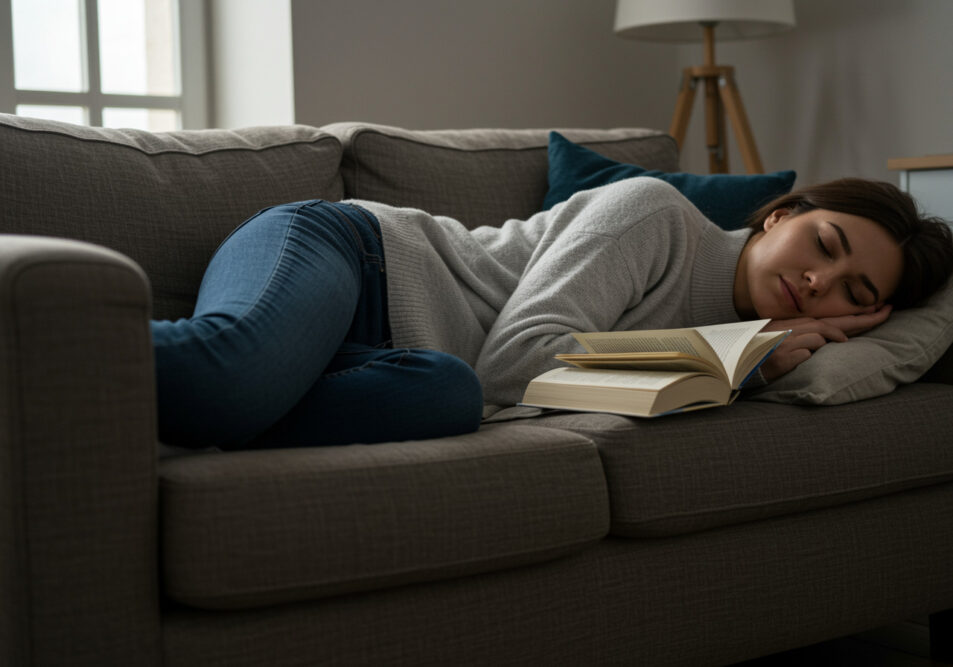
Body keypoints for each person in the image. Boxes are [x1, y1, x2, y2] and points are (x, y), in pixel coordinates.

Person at [152, 176, 953, 450]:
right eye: (824, 243)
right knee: (224, 382)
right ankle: (42, 337)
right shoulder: (654, 214)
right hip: (351, 256)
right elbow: (518, 363)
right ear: (779, 216)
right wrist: (729, 354)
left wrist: (748, 361)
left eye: (852, 290)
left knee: (448, 397)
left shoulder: (750, 349)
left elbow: (487, 389)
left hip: (403, 360)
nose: (818, 282)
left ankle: (249, 397)